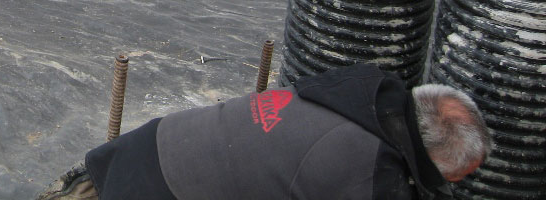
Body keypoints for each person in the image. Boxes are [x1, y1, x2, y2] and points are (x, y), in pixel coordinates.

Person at [34, 63, 491, 200]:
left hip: (132, 151)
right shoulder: (371, 177)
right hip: (155, 191)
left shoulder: (362, 89)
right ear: (433, 161)